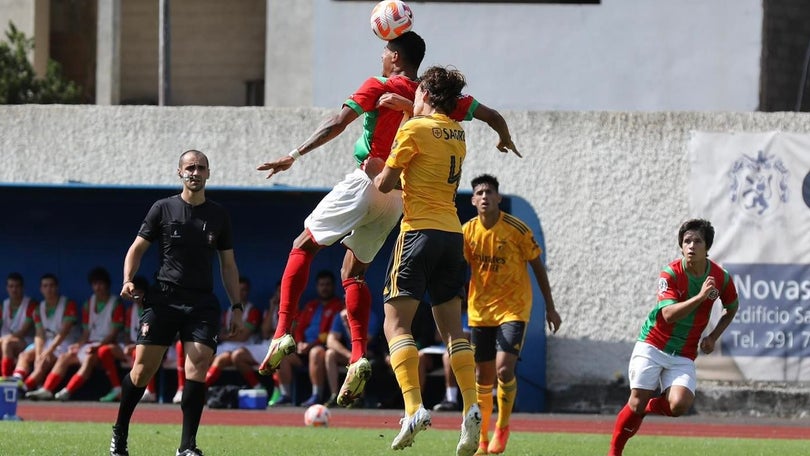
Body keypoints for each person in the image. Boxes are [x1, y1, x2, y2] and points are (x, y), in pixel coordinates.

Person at [256, 30, 519, 409]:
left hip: (370, 178)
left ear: (395, 56)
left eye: (384, 49)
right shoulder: (438, 97)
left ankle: (282, 332)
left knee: (303, 245)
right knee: (353, 272)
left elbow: (338, 121)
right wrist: (503, 138)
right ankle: (359, 355)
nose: (380, 55)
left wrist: (293, 155)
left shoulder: (381, 84)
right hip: (396, 198)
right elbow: (492, 115)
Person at [374, 65, 482, 456]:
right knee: (453, 329)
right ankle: (471, 405)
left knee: (395, 322)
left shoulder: (413, 130)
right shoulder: (458, 132)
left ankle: (414, 408)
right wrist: (410, 112)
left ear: (425, 93)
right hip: (452, 235)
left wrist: (377, 170)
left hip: (418, 231)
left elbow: (385, 182)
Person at [109, 150, 244, 456]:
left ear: (208, 173)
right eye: (190, 168)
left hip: (202, 304)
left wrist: (236, 306)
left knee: (197, 367)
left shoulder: (219, 215)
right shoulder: (163, 208)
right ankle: (119, 432)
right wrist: (128, 279)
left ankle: (187, 447)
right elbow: (136, 248)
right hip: (164, 300)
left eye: (201, 168)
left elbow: (228, 265)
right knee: (142, 371)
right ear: (179, 173)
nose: (195, 172)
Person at [607, 219, 739, 456]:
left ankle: (649, 405)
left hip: (684, 353)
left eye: (697, 241)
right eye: (686, 241)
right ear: (681, 246)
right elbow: (668, 315)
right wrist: (700, 297)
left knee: (679, 405)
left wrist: (713, 336)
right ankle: (614, 453)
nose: (691, 245)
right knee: (634, 404)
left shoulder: (721, 277)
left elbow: (732, 307)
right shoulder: (670, 273)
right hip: (653, 344)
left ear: (707, 247)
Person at [461, 174, 561, 455]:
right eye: (479, 192)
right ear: (473, 199)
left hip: (513, 309)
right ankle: (481, 438)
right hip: (480, 312)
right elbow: (458, 268)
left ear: (498, 198)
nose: (484, 197)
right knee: (483, 377)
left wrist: (550, 307)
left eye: (489, 192)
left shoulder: (516, 229)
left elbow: (538, 268)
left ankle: (502, 428)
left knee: (504, 369)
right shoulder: (467, 231)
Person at [26, 267, 125, 401]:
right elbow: (86, 332)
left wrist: (97, 346)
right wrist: (78, 345)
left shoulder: (116, 303)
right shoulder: (88, 304)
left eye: (101, 283)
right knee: (65, 357)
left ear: (107, 285)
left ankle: (68, 391)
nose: (98, 287)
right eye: (95, 284)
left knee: (90, 358)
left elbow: (113, 334)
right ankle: (47, 389)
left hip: (108, 345)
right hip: (90, 344)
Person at [273, 270, 343, 407]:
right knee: (279, 353)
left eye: (328, 285)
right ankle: (285, 395)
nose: (324, 288)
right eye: (321, 285)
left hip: (321, 348)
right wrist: (299, 343)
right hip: (303, 348)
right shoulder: (311, 306)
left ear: (333, 286)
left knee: (315, 352)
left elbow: (330, 334)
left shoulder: (338, 306)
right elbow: (299, 327)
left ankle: (316, 395)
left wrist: (311, 345)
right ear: (317, 287)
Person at [96, 276, 162, 403]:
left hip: (151, 347)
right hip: (132, 346)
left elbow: (154, 336)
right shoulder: (130, 311)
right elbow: (127, 333)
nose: (137, 297)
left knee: (138, 353)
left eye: (140, 294)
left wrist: (134, 347)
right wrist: (128, 345)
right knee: (104, 351)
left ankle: (149, 391)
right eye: (134, 294)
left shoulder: (153, 310)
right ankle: (116, 388)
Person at [19, 273, 79, 393]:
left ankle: (24, 388)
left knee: (44, 360)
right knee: (24, 356)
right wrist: (38, 354)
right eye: (45, 286)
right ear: (41, 289)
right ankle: (16, 380)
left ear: (57, 287)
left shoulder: (68, 304)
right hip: (49, 342)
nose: (49, 289)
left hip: (66, 343)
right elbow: (40, 334)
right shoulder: (38, 309)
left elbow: (64, 332)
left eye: (51, 285)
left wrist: (47, 352)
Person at [204, 276, 262, 388]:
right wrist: (227, 335)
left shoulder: (253, 311)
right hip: (226, 346)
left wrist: (225, 336)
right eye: (238, 290)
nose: (241, 293)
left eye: (244, 290)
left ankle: (199, 389)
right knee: (204, 356)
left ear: (248, 291)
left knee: (221, 359)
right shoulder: (228, 311)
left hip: (244, 348)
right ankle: (196, 389)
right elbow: (221, 332)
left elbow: (243, 337)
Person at [1, 272, 36, 377]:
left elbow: (23, 331)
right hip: (4, 340)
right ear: (7, 288)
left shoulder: (31, 304)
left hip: (26, 341)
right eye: (11, 286)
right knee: (5, 343)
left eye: (17, 286)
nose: (14, 289)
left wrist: (3, 339)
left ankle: (6, 379)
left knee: (7, 343)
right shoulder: (3, 305)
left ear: (22, 288)